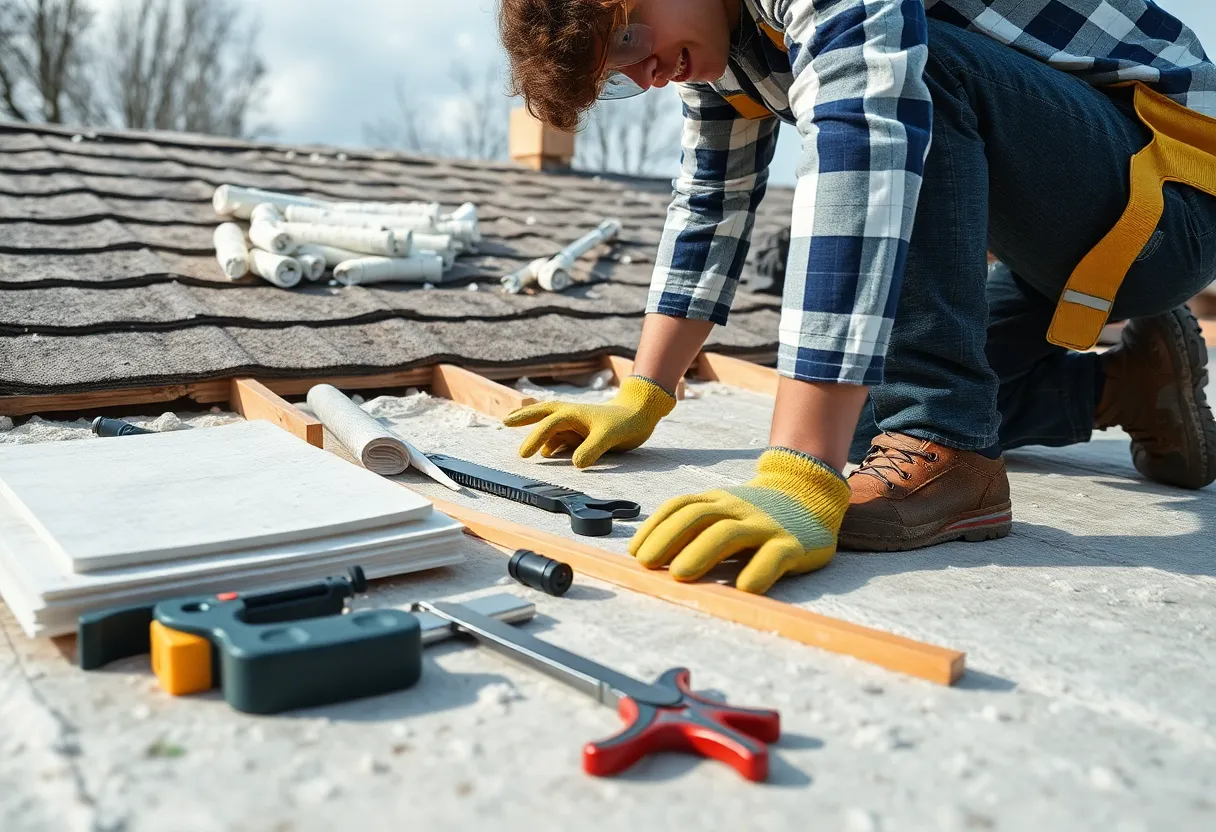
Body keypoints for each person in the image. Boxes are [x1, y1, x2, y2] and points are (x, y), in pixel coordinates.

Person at [498, 0, 1216, 593]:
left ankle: (947, 438)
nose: (645, 73)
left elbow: (865, 146)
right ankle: (1126, 388)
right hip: (1060, 250)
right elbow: (710, 204)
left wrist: (797, 471)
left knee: (914, 71)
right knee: (869, 417)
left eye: (627, 36)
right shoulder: (721, 47)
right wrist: (644, 391)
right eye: (619, 75)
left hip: (1173, 194)